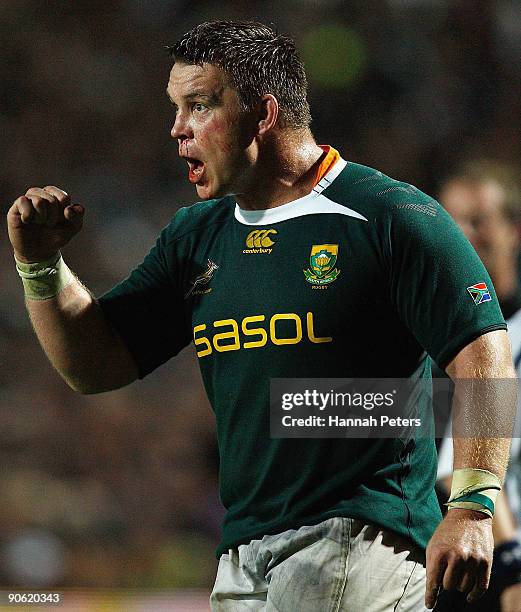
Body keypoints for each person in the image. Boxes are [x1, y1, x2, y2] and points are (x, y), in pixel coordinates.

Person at [6, 20, 516, 611]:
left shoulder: (389, 216)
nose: (177, 131)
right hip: (244, 554)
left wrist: (475, 504)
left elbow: (484, 351)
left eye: (198, 106)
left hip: (360, 544)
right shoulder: (195, 238)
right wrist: (41, 267)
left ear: (264, 112)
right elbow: (95, 364)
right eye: (176, 109)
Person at [435, 161, 521, 612]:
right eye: (453, 223)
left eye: (480, 221)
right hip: (482, 568)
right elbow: (453, 469)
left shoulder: (509, 335)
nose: (464, 236)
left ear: (515, 229)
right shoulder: (427, 344)